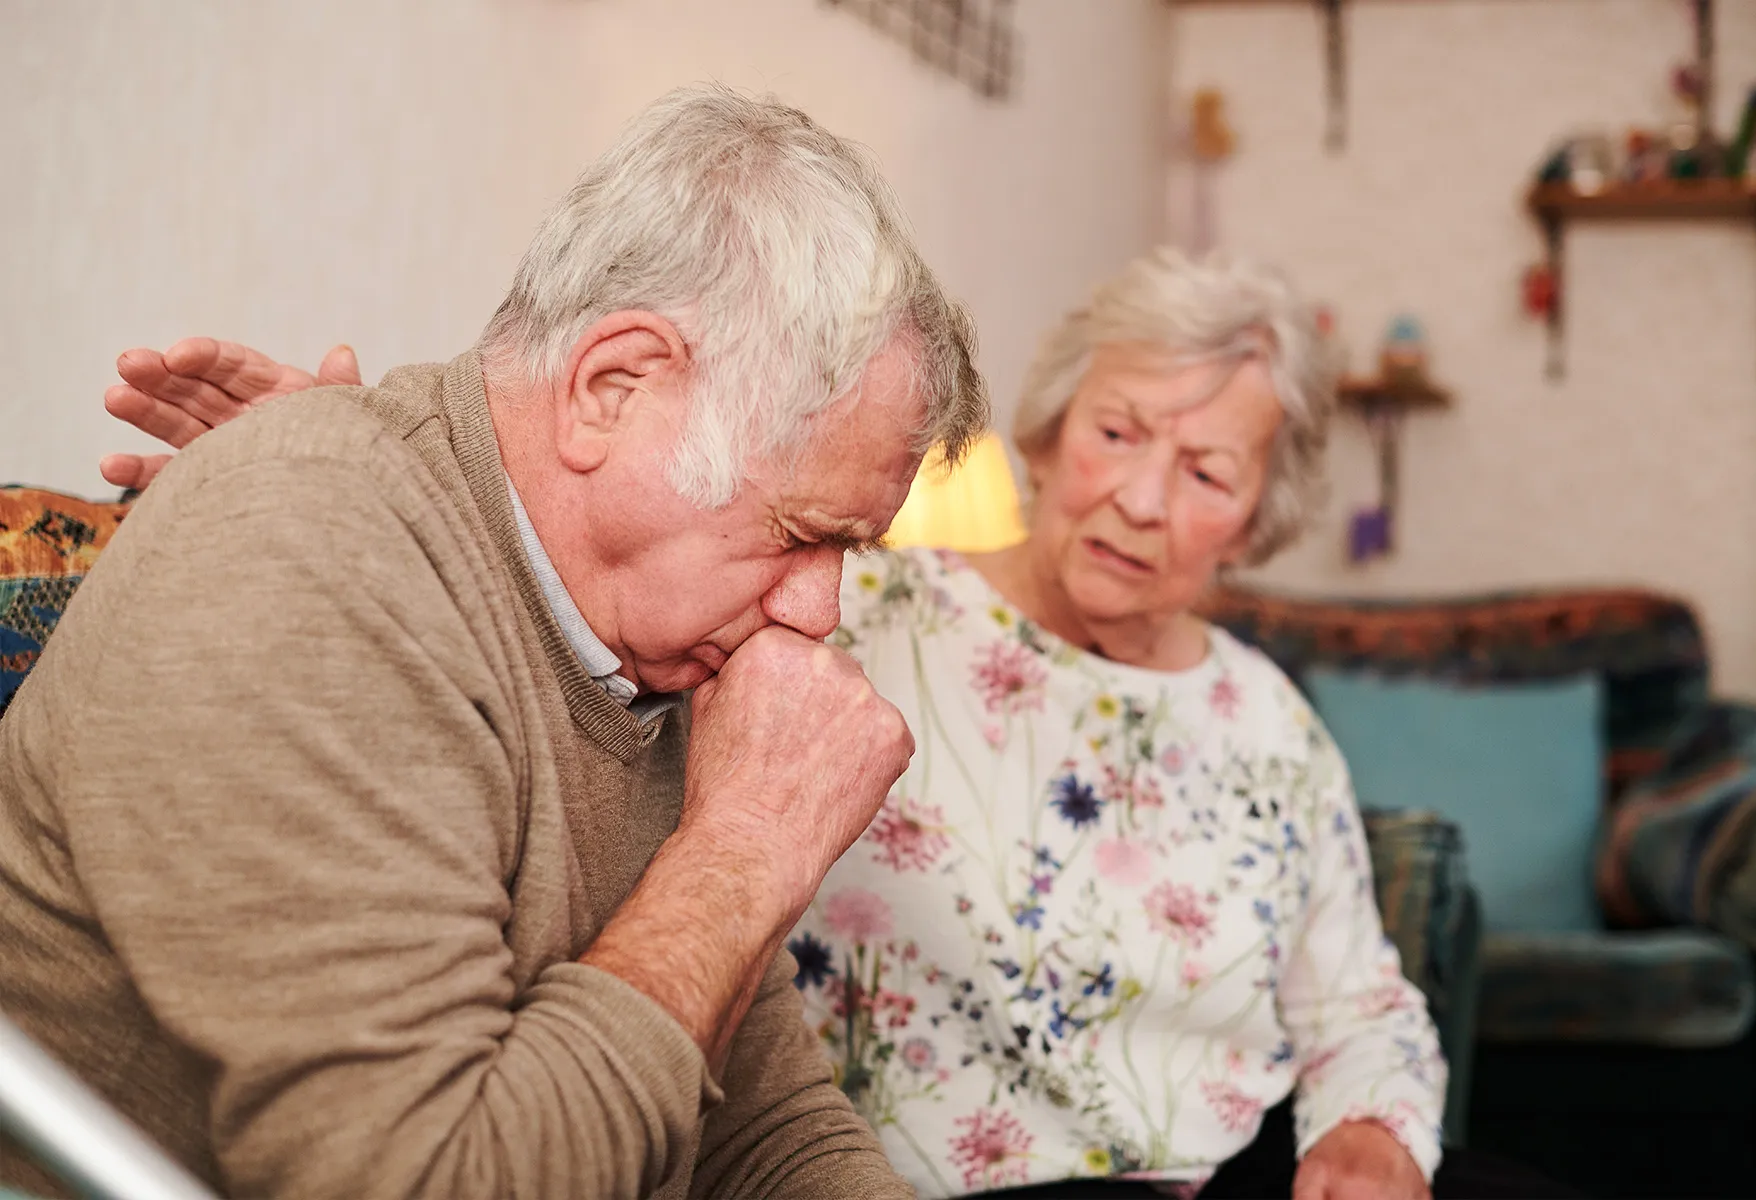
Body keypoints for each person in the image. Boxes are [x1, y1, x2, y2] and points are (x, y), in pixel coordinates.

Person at [96, 253, 1578, 1200]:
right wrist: (354, 470)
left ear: (1263, 515)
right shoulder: (846, 610)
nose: (1140, 495)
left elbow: (1363, 1001)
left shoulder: (1266, 721)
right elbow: (595, 563)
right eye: (1119, 434)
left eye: (1206, 471)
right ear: (1053, 434)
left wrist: (1370, 1136)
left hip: (1241, 1170)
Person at [0, 85, 987, 1200]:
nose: (820, 612)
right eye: (803, 535)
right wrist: (746, 847)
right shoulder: (308, 541)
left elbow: (762, 1128)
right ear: (612, 389)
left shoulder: (639, 649)